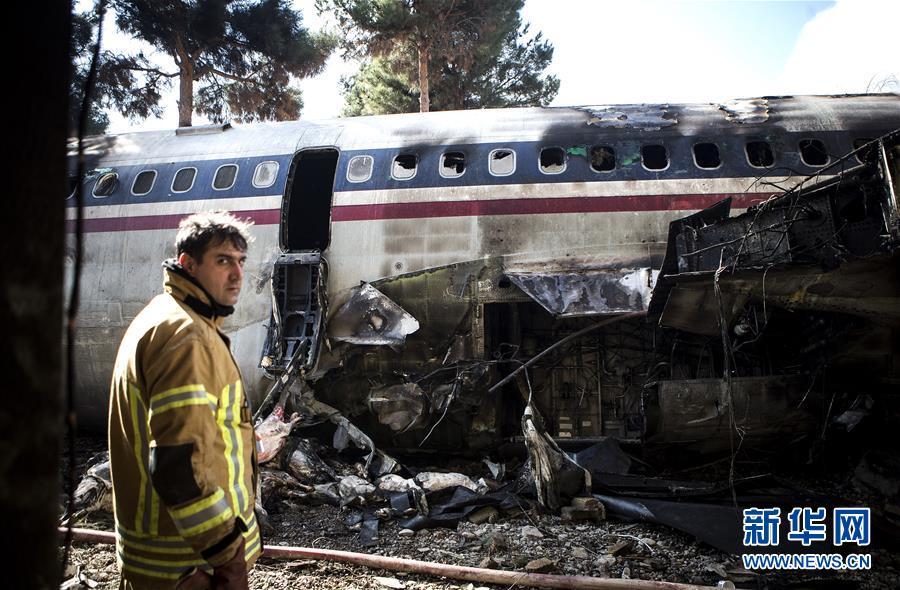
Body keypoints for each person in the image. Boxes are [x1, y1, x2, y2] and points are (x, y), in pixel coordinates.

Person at [108, 211, 260, 590]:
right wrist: (228, 557)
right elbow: (178, 467)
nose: (237, 275)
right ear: (187, 264)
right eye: (223, 261)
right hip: (190, 564)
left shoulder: (168, 316)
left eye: (240, 262)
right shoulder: (186, 338)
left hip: (174, 557)